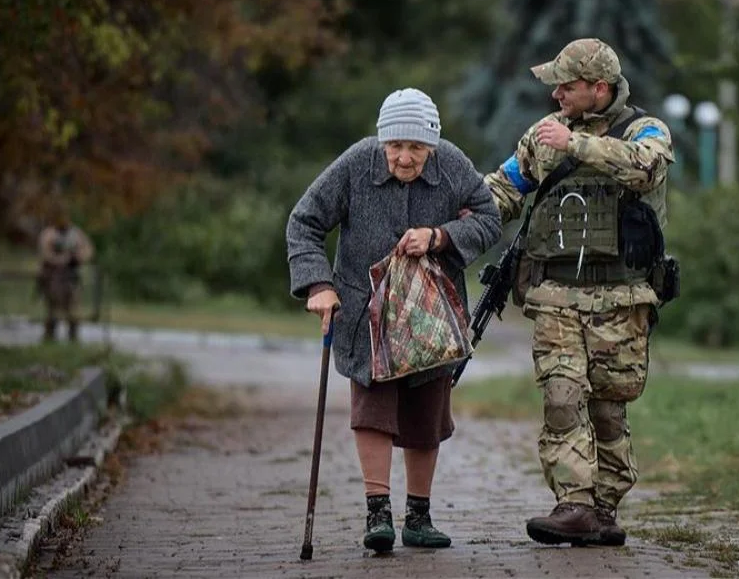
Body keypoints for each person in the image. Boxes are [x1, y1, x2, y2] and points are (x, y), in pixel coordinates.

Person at [286, 88, 502, 553]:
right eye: (395, 147)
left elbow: (489, 218)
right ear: (382, 141)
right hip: (366, 309)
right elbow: (303, 222)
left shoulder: (453, 166)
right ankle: (377, 512)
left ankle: (419, 517)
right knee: (373, 407)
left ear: (432, 146)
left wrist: (440, 235)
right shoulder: (356, 164)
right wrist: (318, 285)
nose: (404, 158)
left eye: (416, 149)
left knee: (427, 412)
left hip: (431, 313)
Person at [479, 38, 674, 547]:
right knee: (563, 399)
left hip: (621, 301)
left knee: (609, 409)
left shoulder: (644, 129)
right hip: (556, 298)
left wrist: (578, 146)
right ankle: (574, 504)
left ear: (599, 88)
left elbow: (646, 166)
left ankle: (603, 509)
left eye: (566, 86)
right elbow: (503, 188)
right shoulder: (545, 136)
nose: (556, 95)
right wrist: (450, 219)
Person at [37, 212, 95, 343]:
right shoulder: (50, 233)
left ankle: (73, 338)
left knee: (73, 309)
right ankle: (49, 337)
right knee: (52, 309)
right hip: (53, 276)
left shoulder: (75, 233)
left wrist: (78, 257)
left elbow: (88, 250)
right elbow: (45, 252)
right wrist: (60, 259)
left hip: (71, 276)